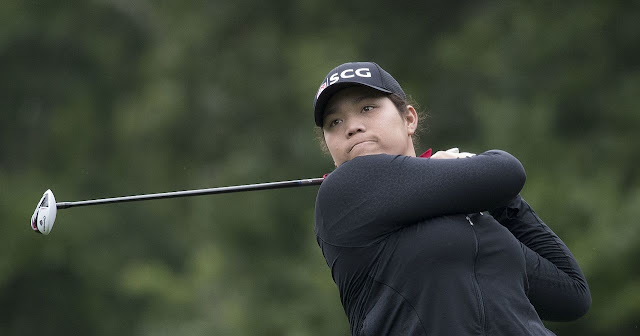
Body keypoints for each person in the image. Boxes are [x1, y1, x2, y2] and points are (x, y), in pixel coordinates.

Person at [312, 62, 591, 335]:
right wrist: (465, 173)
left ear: (409, 119)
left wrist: (499, 200)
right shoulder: (344, 190)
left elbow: (573, 295)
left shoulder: (475, 220)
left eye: (367, 108)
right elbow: (507, 170)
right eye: (335, 122)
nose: (352, 127)